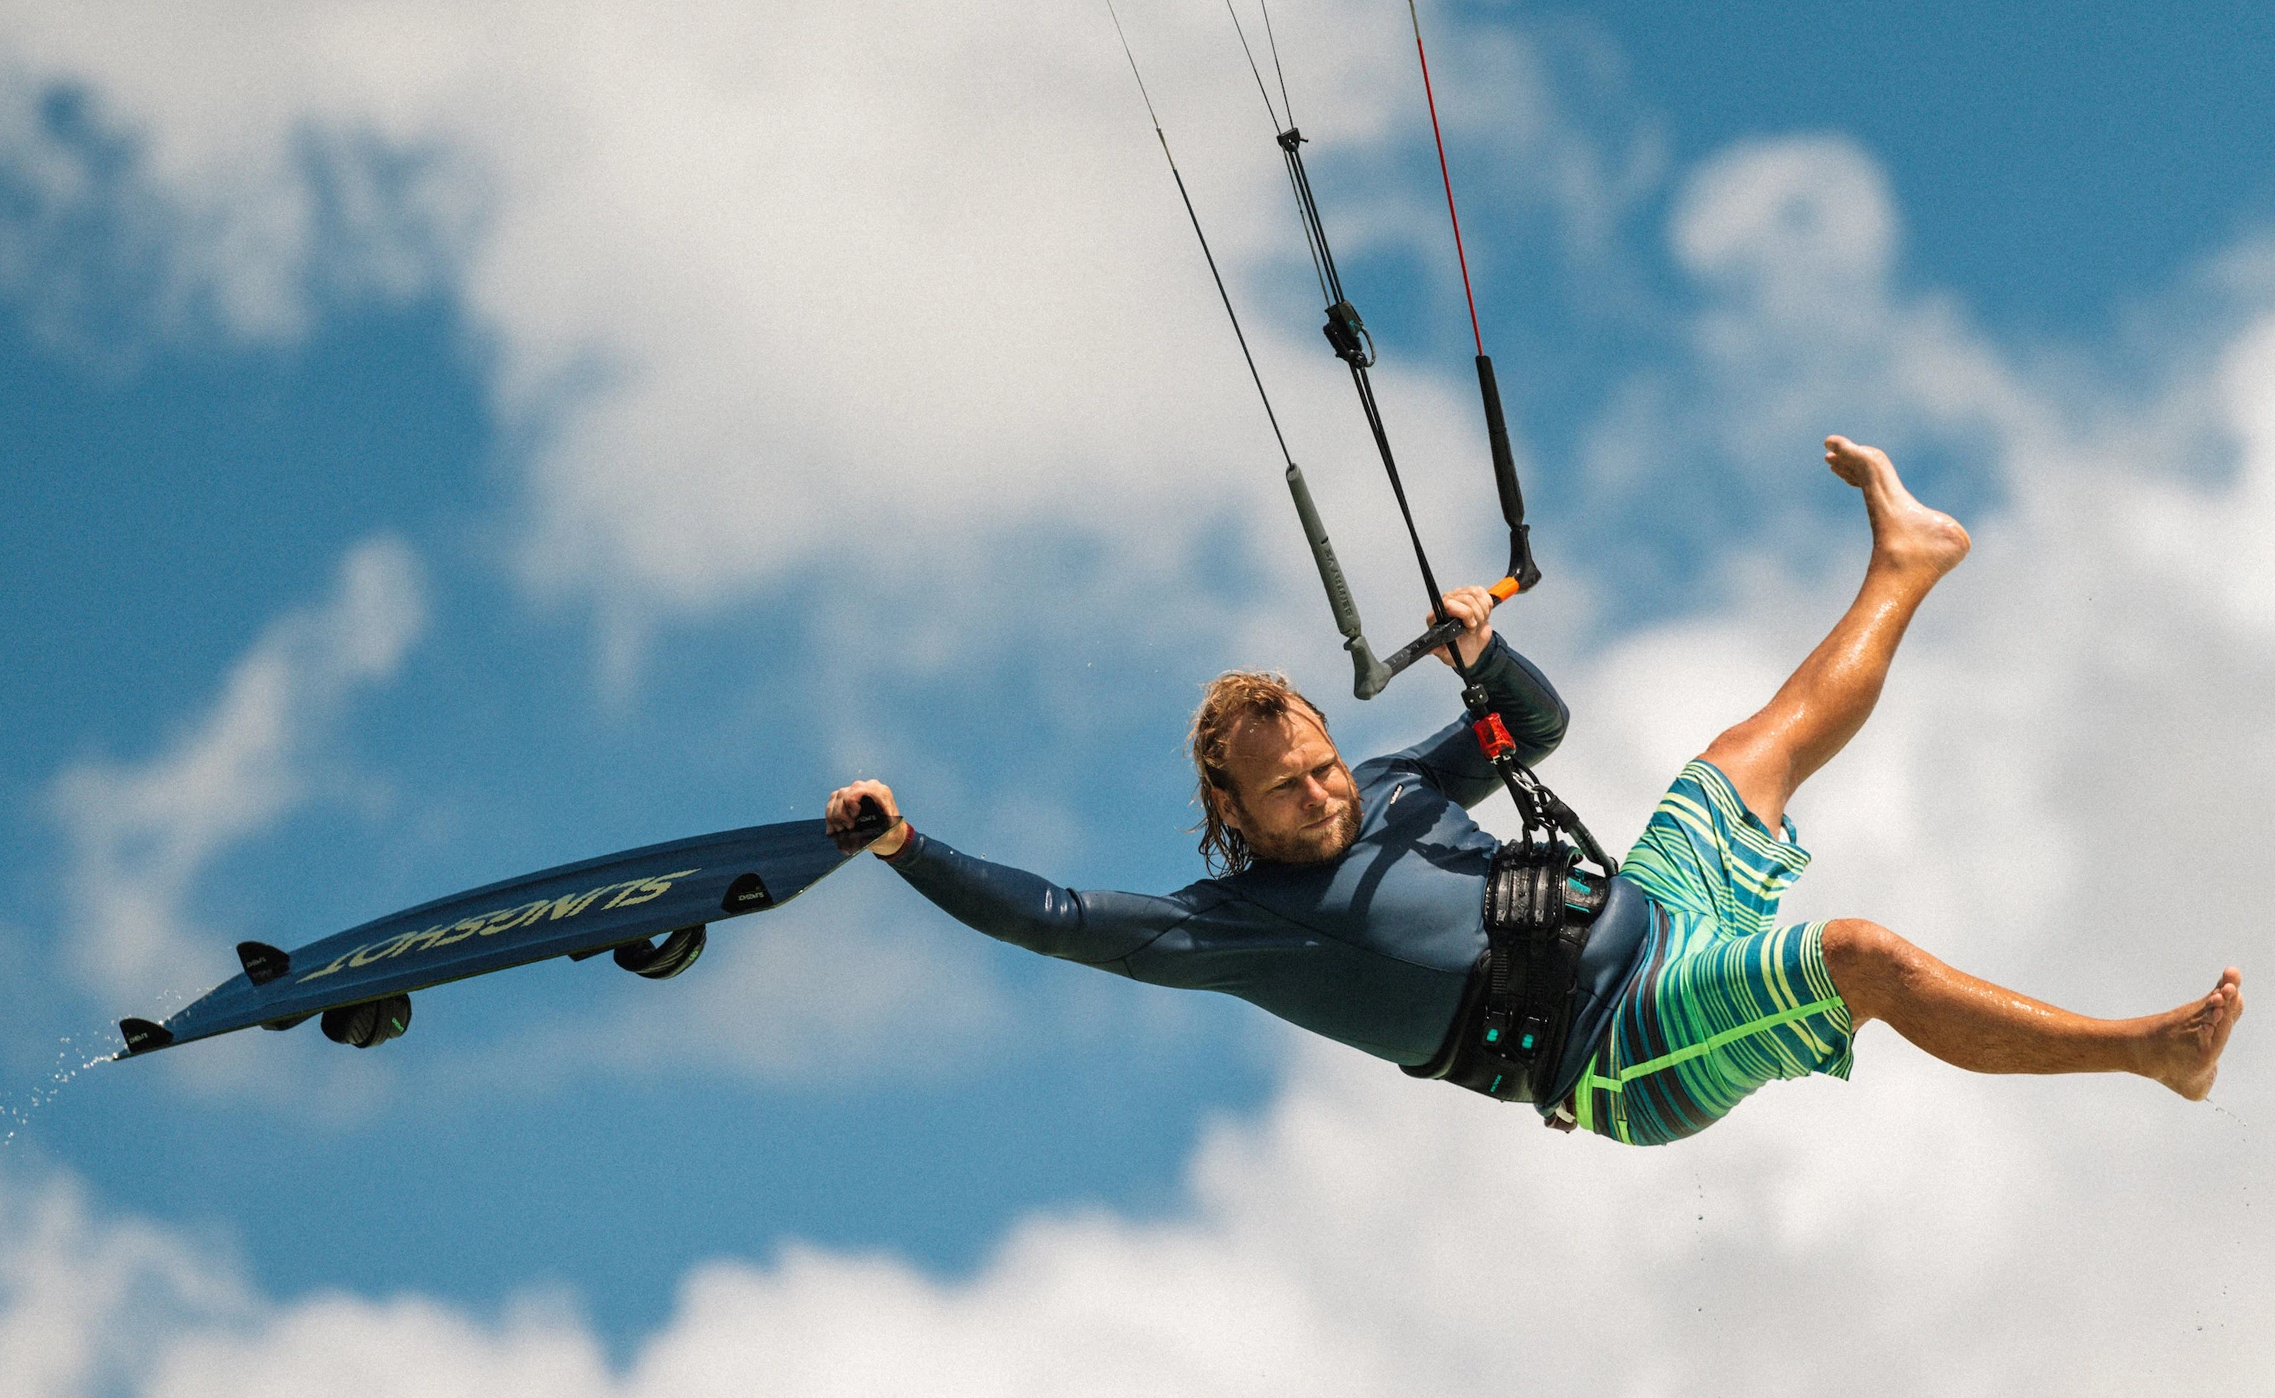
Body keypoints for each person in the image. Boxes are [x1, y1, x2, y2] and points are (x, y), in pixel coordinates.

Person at [827, 438, 2243, 1143]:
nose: (1321, 794)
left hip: (1649, 910)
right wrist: (905, 846)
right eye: (1288, 792)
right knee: (1858, 955)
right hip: (1621, 1053)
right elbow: (1059, 917)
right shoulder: (1234, 924)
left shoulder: (1386, 783)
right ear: (1232, 816)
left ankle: (1908, 560)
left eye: (1322, 762)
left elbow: (1538, 729)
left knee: (1749, 751)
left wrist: (1485, 653)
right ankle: (2144, 1051)